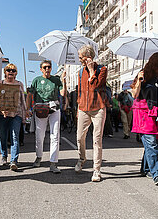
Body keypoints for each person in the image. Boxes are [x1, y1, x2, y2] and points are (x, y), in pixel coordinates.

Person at [130, 52, 158, 186]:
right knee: (151, 142)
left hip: (156, 112)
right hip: (143, 113)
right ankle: (157, 173)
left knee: (152, 143)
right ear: (156, 63)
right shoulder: (143, 74)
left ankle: (145, 168)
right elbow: (134, 94)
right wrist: (139, 81)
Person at [26, 60, 67, 173]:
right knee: (40, 136)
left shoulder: (56, 80)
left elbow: (63, 93)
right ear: (41, 69)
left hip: (54, 109)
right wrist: (27, 108)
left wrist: (64, 80)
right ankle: (39, 157)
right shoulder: (36, 80)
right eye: (45, 67)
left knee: (55, 136)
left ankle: (53, 163)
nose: (47, 69)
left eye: (49, 67)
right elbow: (30, 95)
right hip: (40, 110)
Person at [74, 45, 107, 182]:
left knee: (96, 139)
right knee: (79, 137)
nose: (80, 59)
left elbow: (95, 86)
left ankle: (96, 170)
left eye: (81, 57)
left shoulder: (102, 70)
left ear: (88, 57)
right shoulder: (81, 72)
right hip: (83, 108)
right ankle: (82, 158)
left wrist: (92, 70)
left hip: (98, 108)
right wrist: (78, 107)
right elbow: (80, 91)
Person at [0, 64, 28, 171]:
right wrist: (0, 109)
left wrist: (25, 112)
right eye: (8, 70)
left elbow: (22, 99)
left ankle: (14, 160)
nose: (11, 72)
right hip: (2, 114)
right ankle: (4, 155)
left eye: (13, 70)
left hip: (16, 114)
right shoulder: (0, 83)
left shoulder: (19, 84)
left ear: (16, 73)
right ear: (5, 72)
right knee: (3, 137)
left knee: (15, 136)